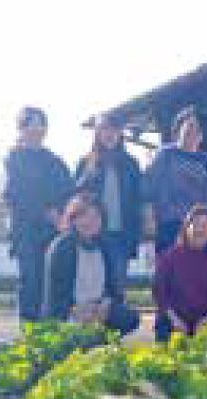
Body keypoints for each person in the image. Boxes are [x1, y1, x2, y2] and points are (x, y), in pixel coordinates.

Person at [1, 106, 73, 321]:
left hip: (55, 231)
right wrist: (46, 212)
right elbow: (17, 195)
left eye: (41, 125)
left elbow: (68, 191)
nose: (37, 130)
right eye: (31, 125)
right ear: (21, 129)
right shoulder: (13, 159)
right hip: (27, 233)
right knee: (30, 282)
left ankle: (52, 329)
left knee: (51, 283)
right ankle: (30, 333)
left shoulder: (55, 160)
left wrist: (63, 215)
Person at [43, 192, 139, 336]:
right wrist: (77, 310)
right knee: (73, 331)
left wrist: (105, 304)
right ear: (73, 219)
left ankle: (99, 339)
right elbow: (57, 297)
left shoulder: (107, 247)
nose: (91, 221)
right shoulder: (62, 247)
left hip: (98, 309)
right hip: (71, 311)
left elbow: (114, 291)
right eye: (84, 216)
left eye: (96, 217)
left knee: (129, 318)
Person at [75, 113, 143, 296]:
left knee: (117, 286)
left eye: (114, 129)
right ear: (97, 133)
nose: (109, 133)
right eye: (104, 128)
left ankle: (115, 323)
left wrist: (140, 232)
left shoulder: (132, 164)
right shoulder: (86, 162)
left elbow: (139, 200)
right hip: (93, 235)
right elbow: (76, 200)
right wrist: (87, 175)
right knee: (92, 287)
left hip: (121, 235)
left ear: (121, 132)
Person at [145, 105, 207, 255]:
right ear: (178, 130)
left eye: (197, 129)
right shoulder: (165, 155)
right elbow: (148, 187)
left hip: (200, 227)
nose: (192, 132)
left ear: (202, 135)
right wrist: (148, 215)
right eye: (188, 127)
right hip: (170, 224)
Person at [153, 204, 207, 342]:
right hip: (172, 321)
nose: (200, 229)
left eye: (206, 226)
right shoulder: (169, 257)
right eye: (196, 224)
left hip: (203, 323)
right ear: (186, 228)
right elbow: (160, 293)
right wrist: (175, 320)